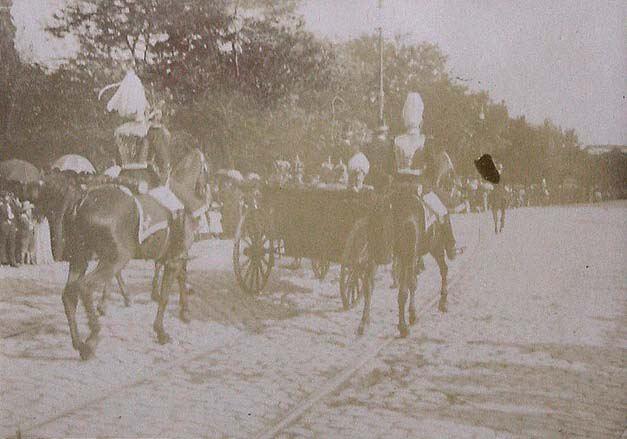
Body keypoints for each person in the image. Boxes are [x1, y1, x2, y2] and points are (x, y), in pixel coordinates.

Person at [393, 92, 459, 260]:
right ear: (421, 121)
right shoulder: (425, 140)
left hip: (397, 188)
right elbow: (433, 169)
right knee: (443, 212)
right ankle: (450, 247)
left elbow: (390, 166)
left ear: (404, 119)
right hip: (419, 187)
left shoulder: (396, 140)